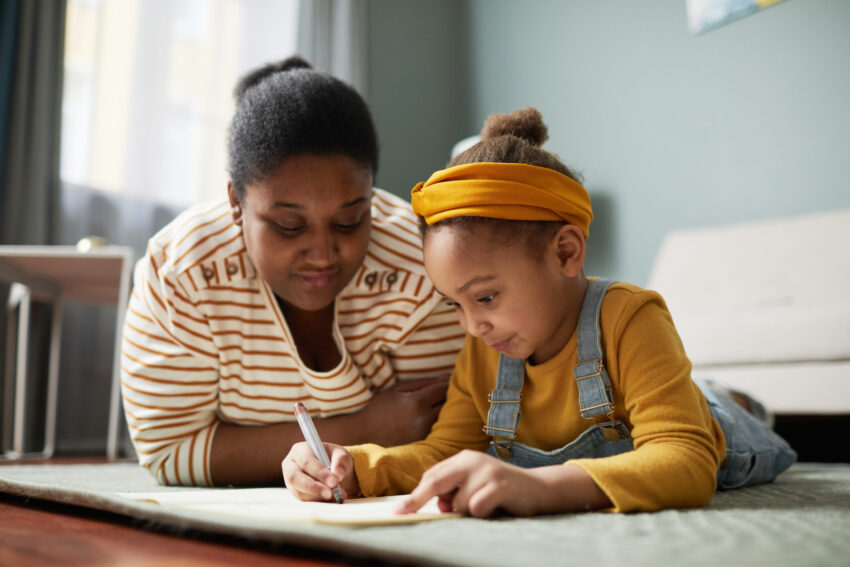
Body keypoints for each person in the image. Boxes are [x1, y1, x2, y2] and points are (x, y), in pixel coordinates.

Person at [281, 107, 797, 515]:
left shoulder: (631, 318)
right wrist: (357, 466)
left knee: (715, 407)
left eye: (484, 297)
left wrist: (542, 487)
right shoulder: (487, 347)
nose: (471, 325)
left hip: (719, 431)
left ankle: (735, 400)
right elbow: (446, 451)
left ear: (567, 253)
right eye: (454, 304)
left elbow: (684, 461)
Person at [121, 56, 465, 487]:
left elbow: (448, 431)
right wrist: (363, 431)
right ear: (235, 203)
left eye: (349, 221)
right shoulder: (180, 272)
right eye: (289, 226)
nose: (322, 254)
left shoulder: (421, 265)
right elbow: (169, 451)